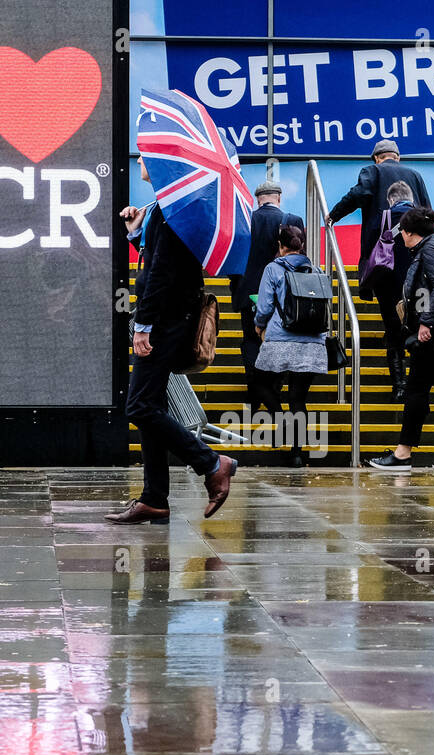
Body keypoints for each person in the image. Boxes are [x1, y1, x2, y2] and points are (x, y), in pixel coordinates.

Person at [105, 157, 237, 524]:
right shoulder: (168, 208)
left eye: (146, 156)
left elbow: (162, 273)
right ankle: (154, 498)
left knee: (139, 407)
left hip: (164, 323)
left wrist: (144, 324)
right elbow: (158, 263)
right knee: (151, 407)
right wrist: (136, 233)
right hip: (169, 318)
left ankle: (212, 463)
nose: (140, 160)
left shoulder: (173, 209)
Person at [368, 207, 434, 472]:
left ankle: (403, 454)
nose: (400, 235)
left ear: (411, 232)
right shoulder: (431, 247)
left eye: (402, 230)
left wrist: (426, 322)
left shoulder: (431, 249)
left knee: (416, 391)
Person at [252, 224, 328, 467]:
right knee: (298, 397)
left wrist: (258, 325)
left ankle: (282, 420)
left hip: (281, 338)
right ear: (302, 245)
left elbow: (264, 307)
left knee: (259, 383)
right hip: (313, 341)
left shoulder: (273, 268)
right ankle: (296, 454)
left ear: (280, 246)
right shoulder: (316, 270)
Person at [228, 178, 303, 417]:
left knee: (251, 341)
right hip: (283, 296)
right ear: (278, 198)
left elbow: (234, 259)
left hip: (249, 291)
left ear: (257, 200)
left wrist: (236, 286)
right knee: (280, 342)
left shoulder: (244, 220)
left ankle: (254, 392)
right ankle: (273, 387)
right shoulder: (292, 221)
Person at [327, 139, 430, 273]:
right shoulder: (415, 175)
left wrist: (333, 215)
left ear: (376, 158)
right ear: (397, 157)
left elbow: (357, 195)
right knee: (411, 283)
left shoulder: (372, 171)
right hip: (413, 242)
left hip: (381, 244)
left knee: (384, 284)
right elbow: (427, 210)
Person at [372, 180, 416, 400]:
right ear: (410, 197)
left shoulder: (383, 219)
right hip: (416, 287)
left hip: (387, 286)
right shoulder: (422, 218)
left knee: (393, 335)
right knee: (418, 332)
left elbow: (370, 252)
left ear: (391, 200)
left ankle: (399, 385)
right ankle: (418, 384)